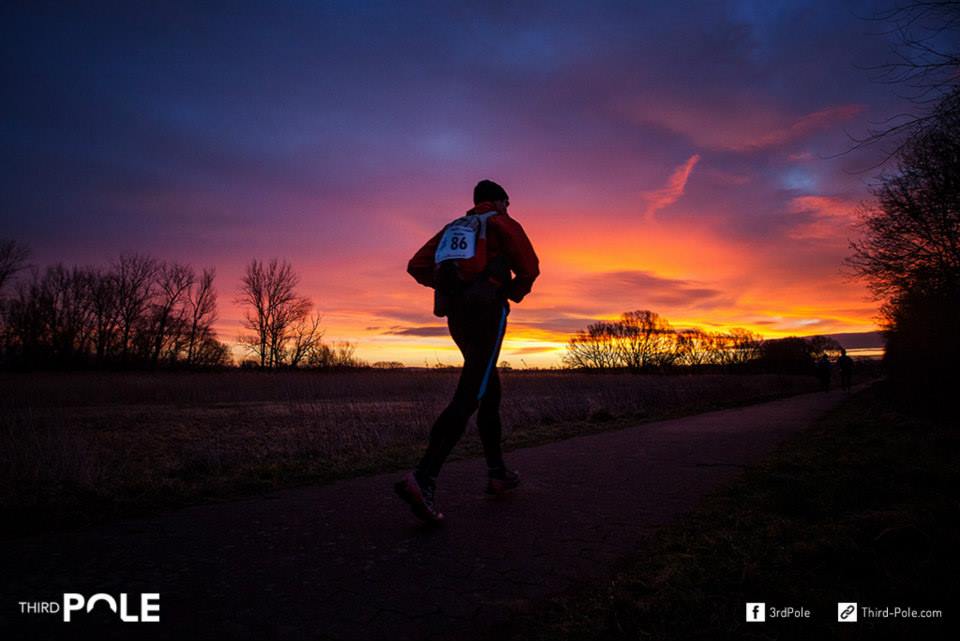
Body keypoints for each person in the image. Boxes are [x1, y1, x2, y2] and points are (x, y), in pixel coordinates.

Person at [395, 180, 540, 523]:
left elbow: (416, 265)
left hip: (457, 314)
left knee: (487, 389)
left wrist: (451, 284)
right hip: (487, 310)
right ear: (500, 201)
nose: (508, 208)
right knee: (471, 393)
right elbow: (530, 267)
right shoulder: (499, 222)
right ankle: (423, 478)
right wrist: (512, 291)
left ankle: (497, 473)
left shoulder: (454, 227)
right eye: (507, 203)